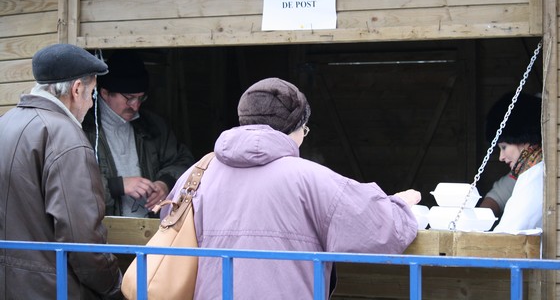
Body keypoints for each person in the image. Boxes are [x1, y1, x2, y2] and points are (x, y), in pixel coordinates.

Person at [163, 77, 421, 299]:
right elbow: (378, 231)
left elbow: (171, 222)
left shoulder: (196, 174)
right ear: (295, 128)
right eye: (304, 130)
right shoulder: (312, 178)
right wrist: (400, 205)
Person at [0, 43, 122, 299]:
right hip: (51, 290)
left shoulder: (5, 123)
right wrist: (114, 286)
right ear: (77, 89)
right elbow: (81, 238)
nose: (91, 103)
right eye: (92, 93)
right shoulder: (66, 137)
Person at [83, 50, 195, 217]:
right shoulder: (83, 128)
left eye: (141, 98)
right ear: (105, 93)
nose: (135, 106)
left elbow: (184, 161)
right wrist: (117, 186)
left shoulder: (153, 125)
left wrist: (165, 183)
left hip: (151, 229)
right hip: (102, 230)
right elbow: (72, 186)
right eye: (129, 98)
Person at [483, 92, 543, 233]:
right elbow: (500, 192)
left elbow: (509, 232)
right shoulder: (531, 169)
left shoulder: (534, 175)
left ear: (523, 140)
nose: (501, 157)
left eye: (504, 147)